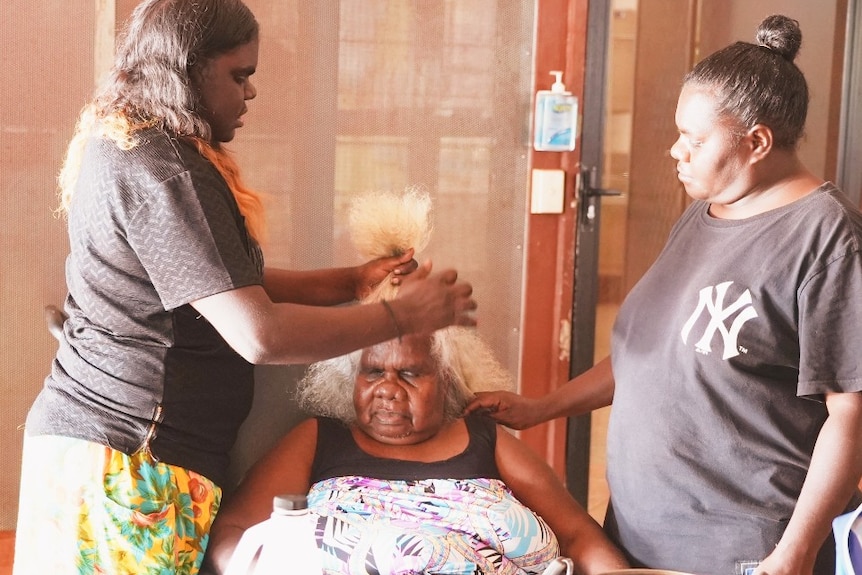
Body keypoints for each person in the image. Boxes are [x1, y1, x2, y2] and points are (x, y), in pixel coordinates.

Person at [13, 1, 475, 574]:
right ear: (187, 70)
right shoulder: (165, 171)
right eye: (240, 74)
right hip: (131, 464)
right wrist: (403, 317)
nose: (251, 92)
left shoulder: (131, 147)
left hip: (109, 454)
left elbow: (219, 287)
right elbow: (259, 334)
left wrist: (353, 282)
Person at [468, 14, 862, 575]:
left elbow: (850, 414)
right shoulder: (703, 214)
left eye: (694, 141)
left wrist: (794, 553)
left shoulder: (828, 236)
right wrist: (540, 408)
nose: (675, 152)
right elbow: (650, 353)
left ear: (757, 142)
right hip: (640, 533)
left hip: (745, 549)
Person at [204, 327, 630, 575]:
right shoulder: (319, 438)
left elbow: (577, 534)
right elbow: (234, 535)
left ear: (446, 380)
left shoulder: (485, 439)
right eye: (373, 372)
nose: (388, 389)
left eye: (409, 373)